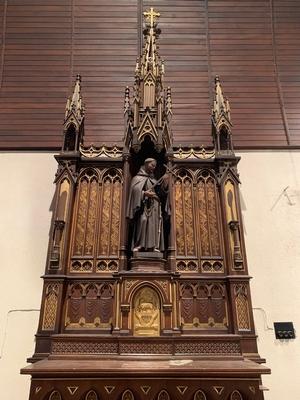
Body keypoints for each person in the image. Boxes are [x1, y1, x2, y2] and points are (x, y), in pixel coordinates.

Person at [127, 158, 169, 253]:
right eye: (152, 165)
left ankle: (153, 246)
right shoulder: (137, 178)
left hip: (154, 205)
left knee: (153, 224)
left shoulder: (153, 179)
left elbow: (161, 192)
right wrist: (144, 194)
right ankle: (139, 245)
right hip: (143, 205)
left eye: (155, 166)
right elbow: (133, 192)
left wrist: (166, 181)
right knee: (143, 220)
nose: (153, 168)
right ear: (146, 164)